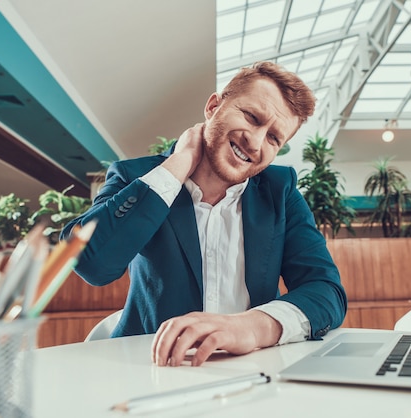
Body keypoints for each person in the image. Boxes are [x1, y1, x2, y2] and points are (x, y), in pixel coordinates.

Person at [61, 61, 347, 367]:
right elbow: (93, 264)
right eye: (251, 117)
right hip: (147, 368)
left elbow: (326, 291)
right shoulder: (137, 177)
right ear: (213, 106)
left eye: (274, 138)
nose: (255, 141)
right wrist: (178, 164)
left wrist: (251, 327)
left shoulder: (280, 191)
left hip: (253, 370)